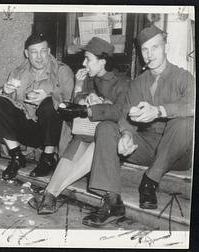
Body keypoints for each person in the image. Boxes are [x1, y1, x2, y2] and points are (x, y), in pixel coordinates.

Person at [80, 25, 194, 228]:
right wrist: (127, 136)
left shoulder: (183, 77)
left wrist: (159, 111)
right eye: (145, 50)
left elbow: (193, 103)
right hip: (147, 146)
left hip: (177, 151)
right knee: (106, 127)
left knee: (185, 122)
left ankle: (150, 180)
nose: (150, 55)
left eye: (155, 48)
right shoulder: (138, 83)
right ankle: (112, 200)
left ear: (165, 47)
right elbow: (125, 116)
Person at [28, 37, 130, 215]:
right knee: (76, 143)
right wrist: (80, 90)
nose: (84, 63)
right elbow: (75, 106)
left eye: (88, 59)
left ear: (103, 61)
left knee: (96, 142)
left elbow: (119, 112)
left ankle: (51, 194)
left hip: (111, 140)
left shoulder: (123, 82)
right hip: (86, 132)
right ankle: (50, 197)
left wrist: (100, 103)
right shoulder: (89, 79)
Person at [0, 33, 74, 180]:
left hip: (51, 132)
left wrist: (49, 97)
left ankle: (48, 158)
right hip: (26, 129)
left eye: (43, 51)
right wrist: (5, 91)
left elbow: (69, 105)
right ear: (27, 54)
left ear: (49, 52)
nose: (39, 57)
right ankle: (16, 157)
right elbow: (8, 107)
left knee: (49, 103)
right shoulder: (17, 72)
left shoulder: (62, 71)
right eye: (34, 52)